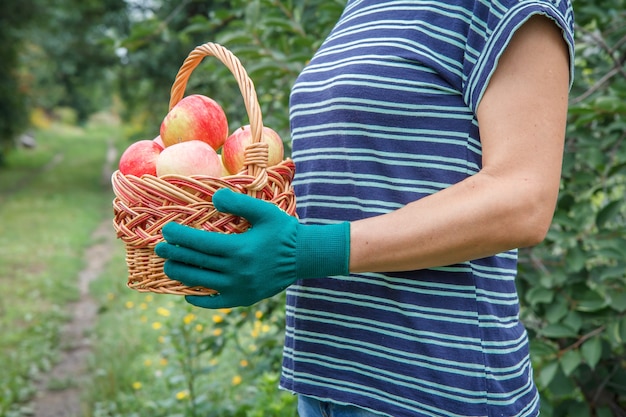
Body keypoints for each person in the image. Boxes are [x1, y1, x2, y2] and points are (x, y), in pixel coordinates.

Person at [155, 1, 575, 416]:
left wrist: (309, 250)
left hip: (433, 388)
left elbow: (524, 198)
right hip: (325, 383)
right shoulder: (362, 6)